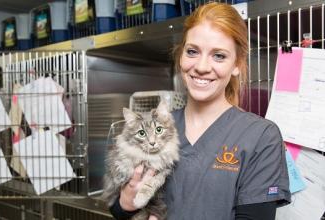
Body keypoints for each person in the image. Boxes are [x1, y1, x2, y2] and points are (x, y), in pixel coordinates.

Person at [109, 2, 291, 220]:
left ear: (237, 64)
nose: (202, 66)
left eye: (219, 56)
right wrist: (125, 204)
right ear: (181, 56)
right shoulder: (155, 130)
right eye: (193, 51)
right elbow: (121, 206)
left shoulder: (261, 137)